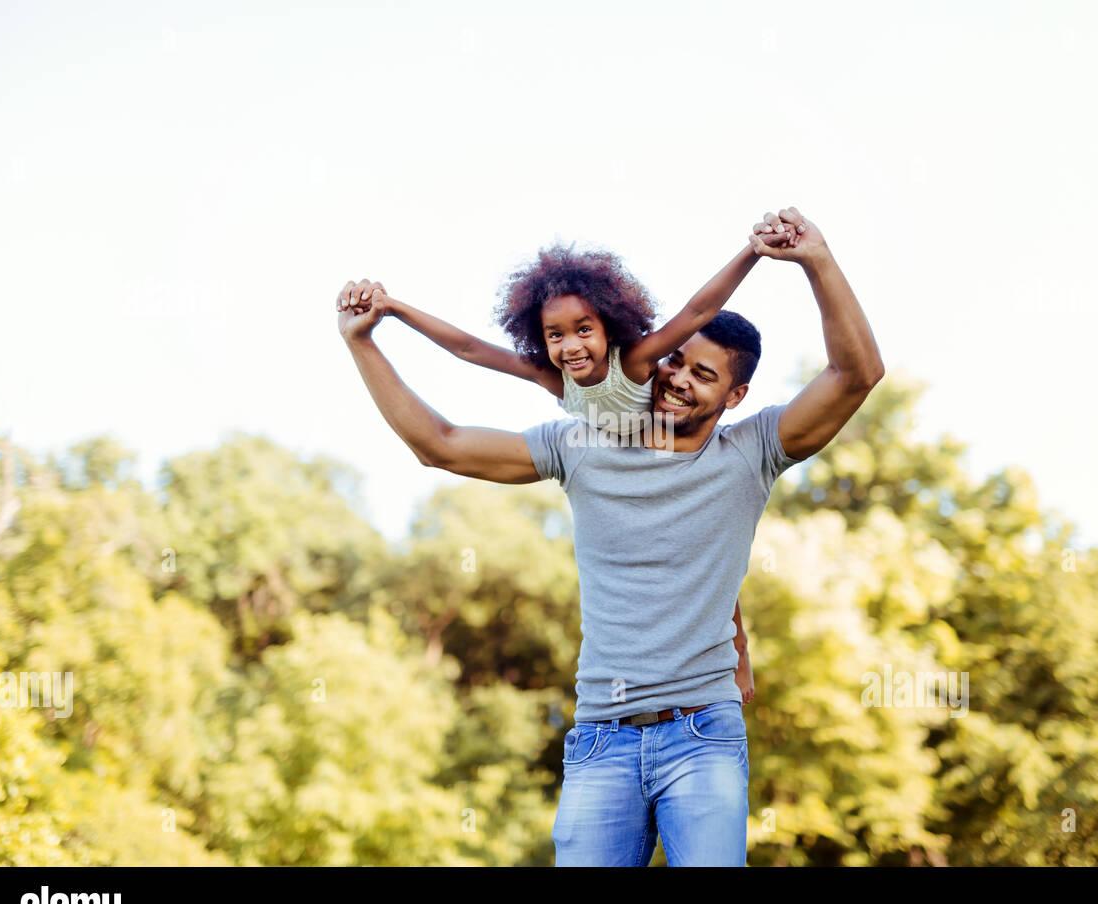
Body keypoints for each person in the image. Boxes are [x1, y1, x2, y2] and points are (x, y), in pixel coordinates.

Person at [336, 206, 884, 866]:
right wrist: (363, 341)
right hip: (601, 739)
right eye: (676, 363)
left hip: (703, 734)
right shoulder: (580, 441)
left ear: (736, 396)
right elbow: (440, 445)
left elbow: (855, 375)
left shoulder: (754, 450)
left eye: (704, 375)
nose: (679, 379)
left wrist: (816, 260)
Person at [341, 232, 797, 703]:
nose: (570, 345)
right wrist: (394, 311)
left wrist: (752, 252)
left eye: (584, 329)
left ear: (611, 328)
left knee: (699, 544)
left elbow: (698, 311)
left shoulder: (637, 363)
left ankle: (736, 651)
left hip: (666, 438)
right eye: (554, 335)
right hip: (623, 452)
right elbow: (469, 350)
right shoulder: (555, 379)